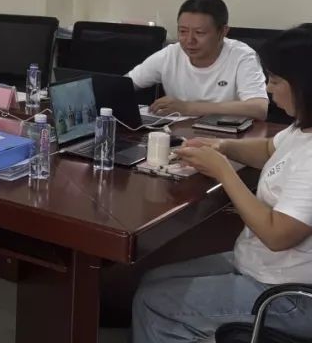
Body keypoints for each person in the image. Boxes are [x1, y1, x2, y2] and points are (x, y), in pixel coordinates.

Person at [132, 26, 312, 342]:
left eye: (275, 81)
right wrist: (221, 146)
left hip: (287, 296)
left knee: (152, 301)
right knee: (151, 280)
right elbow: (269, 149)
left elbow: (277, 234)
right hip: (261, 266)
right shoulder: (302, 129)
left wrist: (223, 172)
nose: (268, 88)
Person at [128, 0, 268, 120]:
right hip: (179, 134)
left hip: (227, 136)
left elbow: (259, 108)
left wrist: (188, 108)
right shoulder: (170, 54)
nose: (189, 40)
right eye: (183, 31)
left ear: (223, 32)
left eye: (199, 33)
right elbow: (124, 84)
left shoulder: (242, 56)